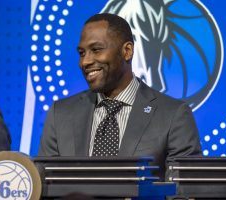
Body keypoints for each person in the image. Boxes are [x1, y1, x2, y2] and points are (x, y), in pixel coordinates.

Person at [39, 13, 201, 180]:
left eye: (96, 50)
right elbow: (45, 186)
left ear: (127, 51)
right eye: (81, 53)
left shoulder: (173, 115)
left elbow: (181, 193)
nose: (85, 62)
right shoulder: (60, 114)